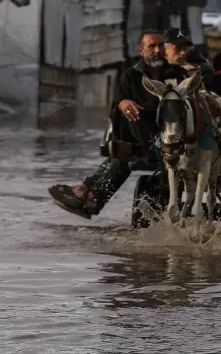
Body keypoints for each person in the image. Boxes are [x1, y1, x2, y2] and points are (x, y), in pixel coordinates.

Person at [48, 30, 187, 218]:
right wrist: (122, 103)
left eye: (160, 45)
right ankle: (87, 192)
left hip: (168, 140)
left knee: (124, 160)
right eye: (151, 46)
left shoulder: (177, 74)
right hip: (140, 136)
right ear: (141, 50)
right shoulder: (131, 75)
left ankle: (90, 195)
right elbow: (117, 101)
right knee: (121, 156)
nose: (156, 50)